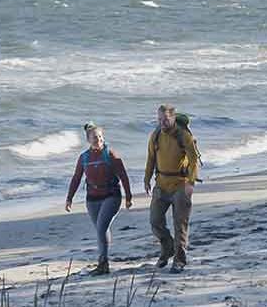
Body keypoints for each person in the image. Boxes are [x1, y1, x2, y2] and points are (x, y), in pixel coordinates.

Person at [65, 123, 133, 276]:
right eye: (95, 137)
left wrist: (128, 196)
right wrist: (69, 198)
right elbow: (76, 178)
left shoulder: (110, 154)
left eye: (100, 137)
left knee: (101, 228)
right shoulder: (84, 157)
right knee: (101, 229)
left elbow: (123, 175)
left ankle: (103, 263)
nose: (98, 140)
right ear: (88, 139)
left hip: (111, 196)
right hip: (92, 199)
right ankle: (105, 260)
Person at [143, 104, 199, 272]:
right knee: (155, 221)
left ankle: (179, 260)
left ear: (173, 118)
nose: (162, 123)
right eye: (159, 120)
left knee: (180, 224)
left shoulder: (184, 136)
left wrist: (191, 182)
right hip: (161, 184)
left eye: (166, 120)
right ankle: (167, 247)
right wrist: (146, 179)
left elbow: (194, 160)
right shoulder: (155, 136)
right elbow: (151, 159)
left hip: (181, 184)